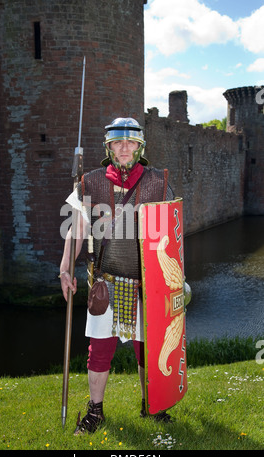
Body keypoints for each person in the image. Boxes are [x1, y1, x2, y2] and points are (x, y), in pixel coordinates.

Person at [59, 117, 174, 435]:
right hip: (106, 283)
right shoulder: (91, 182)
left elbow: (171, 232)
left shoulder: (159, 182)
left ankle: (152, 404)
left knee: (147, 350)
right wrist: (65, 268)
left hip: (146, 284)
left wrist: (172, 281)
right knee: (100, 350)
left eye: (130, 142)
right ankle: (95, 411)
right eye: (118, 142)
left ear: (140, 147)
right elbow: (76, 229)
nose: (124, 148)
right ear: (108, 147)